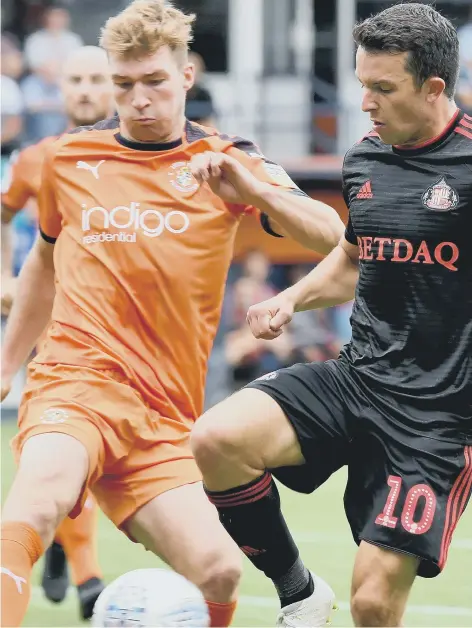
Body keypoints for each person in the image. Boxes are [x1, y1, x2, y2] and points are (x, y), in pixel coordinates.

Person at [0, 1, 344, 626]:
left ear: (186, 76)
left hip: (164, 416)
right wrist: (5, 364)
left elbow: (331, 235)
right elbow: (43, 266)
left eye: (154, 81)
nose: (139, 99)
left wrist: (254, 191)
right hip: (76, 381)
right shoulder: (68, 160)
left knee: (220, 569)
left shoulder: (227, 159)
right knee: (37, 501)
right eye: (124, 84)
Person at [191, 3, 472, 627]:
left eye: (383, 88)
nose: (366, 102)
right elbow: (353, 259)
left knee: (373, 605)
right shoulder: (365, 158)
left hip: (436, 419)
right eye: (361, 84)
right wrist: (289, 299)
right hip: (356, 378)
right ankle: (298, 592)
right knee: (216, 439)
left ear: (434, 88)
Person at [1, 45, 115, 620]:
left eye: (98, 78)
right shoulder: (36, 159)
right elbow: (1, 215)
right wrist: (4, 274)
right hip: (54, 323)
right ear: (61, 90)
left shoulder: (136, 158)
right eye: (77, 79)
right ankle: (88, 574)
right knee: (57, 440)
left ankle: (60, 553)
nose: (88, 89)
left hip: (119, 330)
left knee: (75, 450)